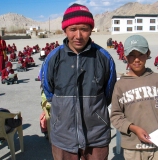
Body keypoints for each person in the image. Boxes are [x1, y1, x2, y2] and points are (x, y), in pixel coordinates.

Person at [41, 3, 117, 160]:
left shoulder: (104, 58)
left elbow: (109, 93)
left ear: (91, 29)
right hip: (63, 136)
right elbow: (49, 91)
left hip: (96, 135)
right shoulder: (53, 58)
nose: (78, 35)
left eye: (84, 29)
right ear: (65, 30)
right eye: (73, 29)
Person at [110, 35, 158, 160]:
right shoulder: (120, 85)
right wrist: (133, 128)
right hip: (132, 146)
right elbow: (116, 116)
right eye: (132, 55)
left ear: (148, 54)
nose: (136, 59)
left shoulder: (157, 79)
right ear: (125, 56)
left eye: (140, 54)